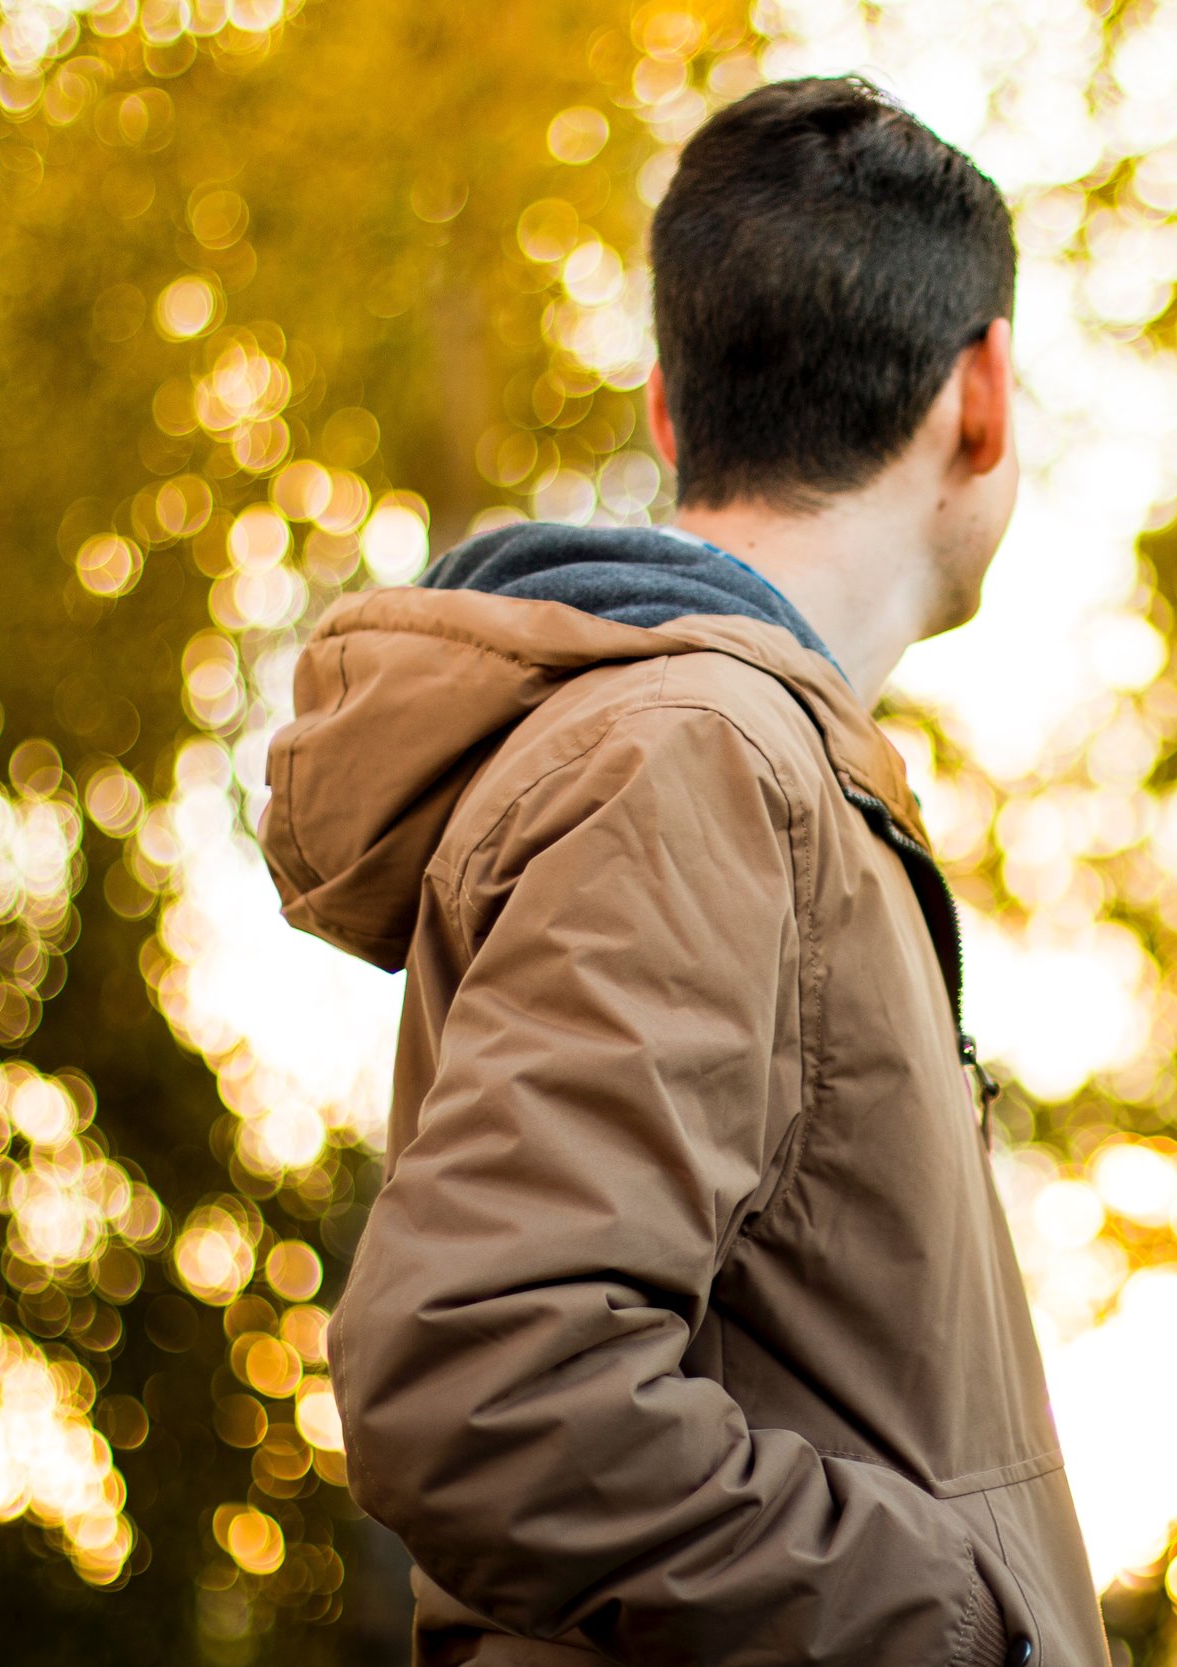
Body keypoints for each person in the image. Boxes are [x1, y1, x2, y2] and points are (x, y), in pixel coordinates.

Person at [261, 77, 1105, 1667]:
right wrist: (958, 1632)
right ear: (981, 396)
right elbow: (484, 1383)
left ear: (669, 411)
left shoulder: (740, 762)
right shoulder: (698, 760)